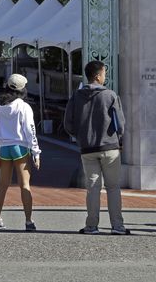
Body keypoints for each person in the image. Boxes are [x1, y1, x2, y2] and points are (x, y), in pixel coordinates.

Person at [63, 60, 130, 235]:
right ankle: (117, 225)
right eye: (104, 73)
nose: (105, 76)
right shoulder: (110, 95)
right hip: (109, 146)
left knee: (93, 188)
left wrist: (79, 136)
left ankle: (92, 225)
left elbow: (68, 123)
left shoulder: (77, 96)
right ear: (98, 75)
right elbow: (120, 124)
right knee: (113, 187)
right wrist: (118, 138)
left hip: (87, 148)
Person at [0, 74, 40, 231]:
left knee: (3, 184)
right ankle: (28, 221)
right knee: (24, 184)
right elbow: (30, 130)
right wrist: (36, 152)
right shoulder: (23, 106)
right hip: (20, 147)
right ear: (22, 89)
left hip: (4, 147)